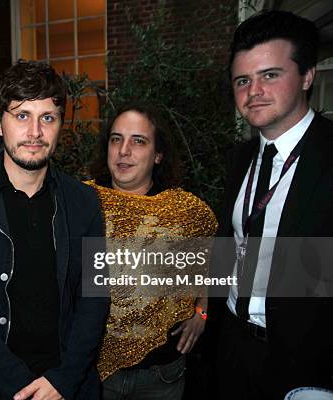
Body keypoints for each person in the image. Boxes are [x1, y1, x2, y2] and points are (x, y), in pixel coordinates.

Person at [0, 60, 109, 400]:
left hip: (67, 385)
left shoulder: (85, 202)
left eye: (47, 117)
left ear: (60, 125)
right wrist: (21, 384)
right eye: (22, 115)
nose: (35, 132)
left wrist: (64, 378)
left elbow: (96, 296)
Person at [214, 10, 333, 399]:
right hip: (231, 348)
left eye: (270, 75)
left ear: (307, 76)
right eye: (242, 80)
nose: (254, 91)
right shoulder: (240, 158)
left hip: (306, 362)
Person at [86, 103, 217, 399]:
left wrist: (202, 312)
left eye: (138, 141)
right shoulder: (81, 202)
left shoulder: (186, 212)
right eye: (116, 139)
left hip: (162, 376)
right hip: (91, 373)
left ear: (158, 155)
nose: (124, 150)